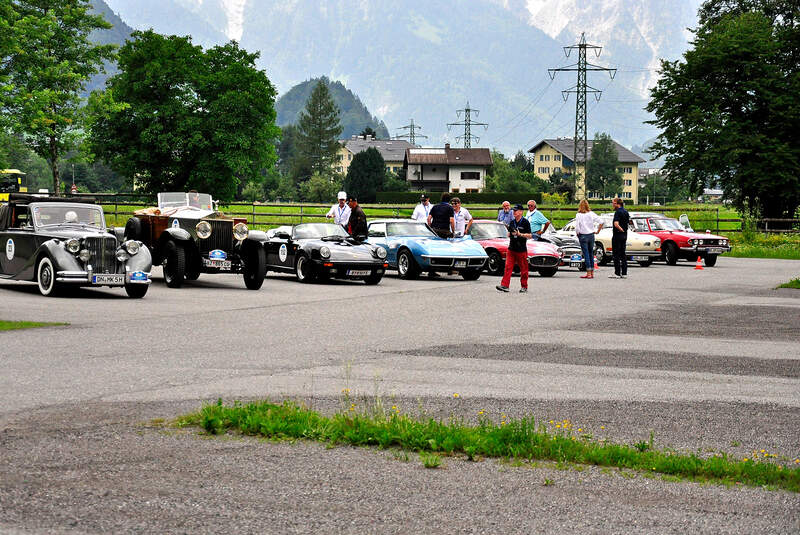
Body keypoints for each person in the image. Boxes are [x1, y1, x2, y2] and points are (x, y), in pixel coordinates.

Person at [496, 204, 532, 293]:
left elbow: (530, 235)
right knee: (508, 267)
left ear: (521, 211)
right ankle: (505, 285)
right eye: (513, 210)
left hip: (521, 249)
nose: (514, 212)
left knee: (523, 269)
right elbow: (508, 234)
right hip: (511, 248)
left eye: (516, 210)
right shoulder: (512, 222)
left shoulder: (525, 222)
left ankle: (524, 286)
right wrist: (509, 232)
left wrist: (520, 234)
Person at [574, 199, 603, 279]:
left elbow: (577, 227)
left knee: (586, 254)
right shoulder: (591, 214)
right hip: (591, 235)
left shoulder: (578, 215)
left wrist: (577, 233)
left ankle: (588, 273)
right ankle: (592, 272)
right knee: (591, 254)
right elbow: (601, 221)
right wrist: (597, 231)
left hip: (583, 235)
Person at [610, 197, 630, 279]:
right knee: (623, 254)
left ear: (617, 204)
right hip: (625, 235)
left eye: (613, 203)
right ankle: (624, 272)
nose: (612, 205)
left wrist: (620, 229)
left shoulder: (617, 212)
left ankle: (617, 273)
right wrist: (624, 230)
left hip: (618, 235)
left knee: (616, 254)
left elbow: (616, 224)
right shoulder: (626, 212)